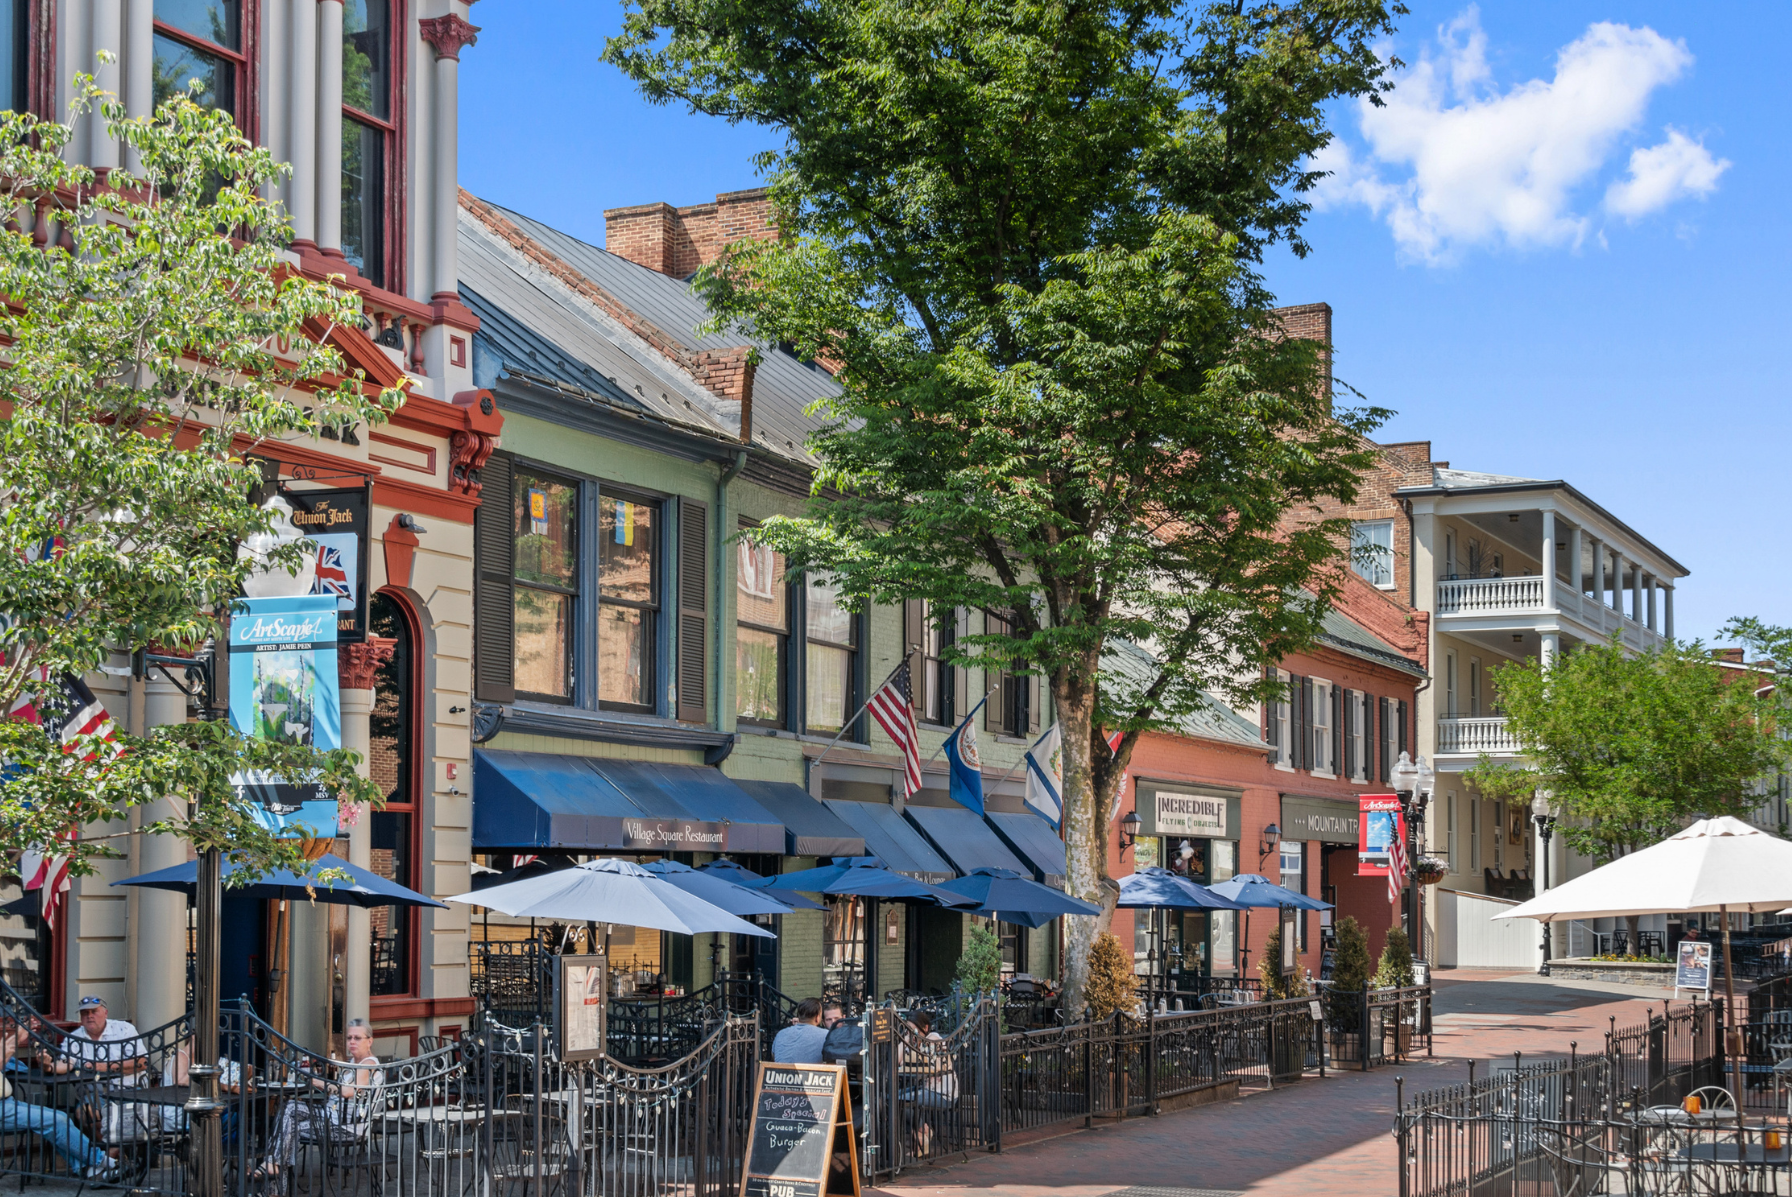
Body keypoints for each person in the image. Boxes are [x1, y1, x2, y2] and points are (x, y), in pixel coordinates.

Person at [250, 1020, 380, 1183]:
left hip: (347, 1128)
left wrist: (322, 1084)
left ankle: (273, 1180)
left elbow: (348, 1092)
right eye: (349, 1038)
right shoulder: (354, 1063)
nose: (352, 1042)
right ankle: (273, 1170)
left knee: (287, 1128)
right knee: (288, 1117)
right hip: (330, 1119)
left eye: (357, 1038)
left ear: (369, 1041)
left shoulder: (367, 1065)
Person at [0, 1020, 120, 1182]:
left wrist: (16, 1038)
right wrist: (12, 1044)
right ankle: (102, 1161)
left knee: (57, 1118)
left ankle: (87, 1169)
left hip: (7, 1103)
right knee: (55, 1120)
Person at [38, 995, 146, 1081]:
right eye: (85, 1013)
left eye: (94, 1012)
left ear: (105, 1013)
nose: (89, 1016)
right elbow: (66, 1063)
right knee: (85, 1108)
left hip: (130, 1090)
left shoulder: (124, 1029)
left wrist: (104, 1066)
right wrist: (48, 1067)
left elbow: (142, 1063)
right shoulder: (74, 1037)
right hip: (94, 1092)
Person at [897, 1010, 957, 1157]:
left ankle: (922, 1133)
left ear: (925, 1028)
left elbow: (933, 1066)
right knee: (892, 1097)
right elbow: (897, 1061)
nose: (912, 1033)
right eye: (908, 1030)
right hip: (927, 1089)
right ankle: (923, 1130)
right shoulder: (913, 1043)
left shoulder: (933, 1038)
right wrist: (905, 1038)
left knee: (900, 1100)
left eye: (914, 1030)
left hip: (943, 1094)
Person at [772, 998, 829, 1064]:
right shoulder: (826, 1035)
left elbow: (774, 1056)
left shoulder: (781, 1034)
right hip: (810, 1073)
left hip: (781, 1073)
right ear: (817, 1018)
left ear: (799, 1016)